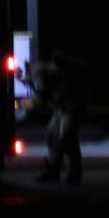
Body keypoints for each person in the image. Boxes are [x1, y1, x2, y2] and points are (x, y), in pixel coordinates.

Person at [28, 49, 88, 184]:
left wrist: (40, 96)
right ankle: (53, 170)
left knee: (66, 137)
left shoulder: (69, 75)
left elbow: (55, 96)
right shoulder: (53, 72)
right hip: (62, 109)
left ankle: (73, 173)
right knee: (53, 135)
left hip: (71, 108)